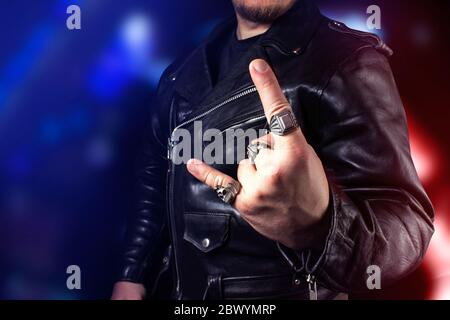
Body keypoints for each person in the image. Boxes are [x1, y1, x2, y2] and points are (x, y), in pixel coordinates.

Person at [111, 0, 434, 300]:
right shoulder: (180, 72)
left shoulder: (347, 59)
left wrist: (318, 224)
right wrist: (132, 273)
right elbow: (153, 186)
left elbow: (407, 223)